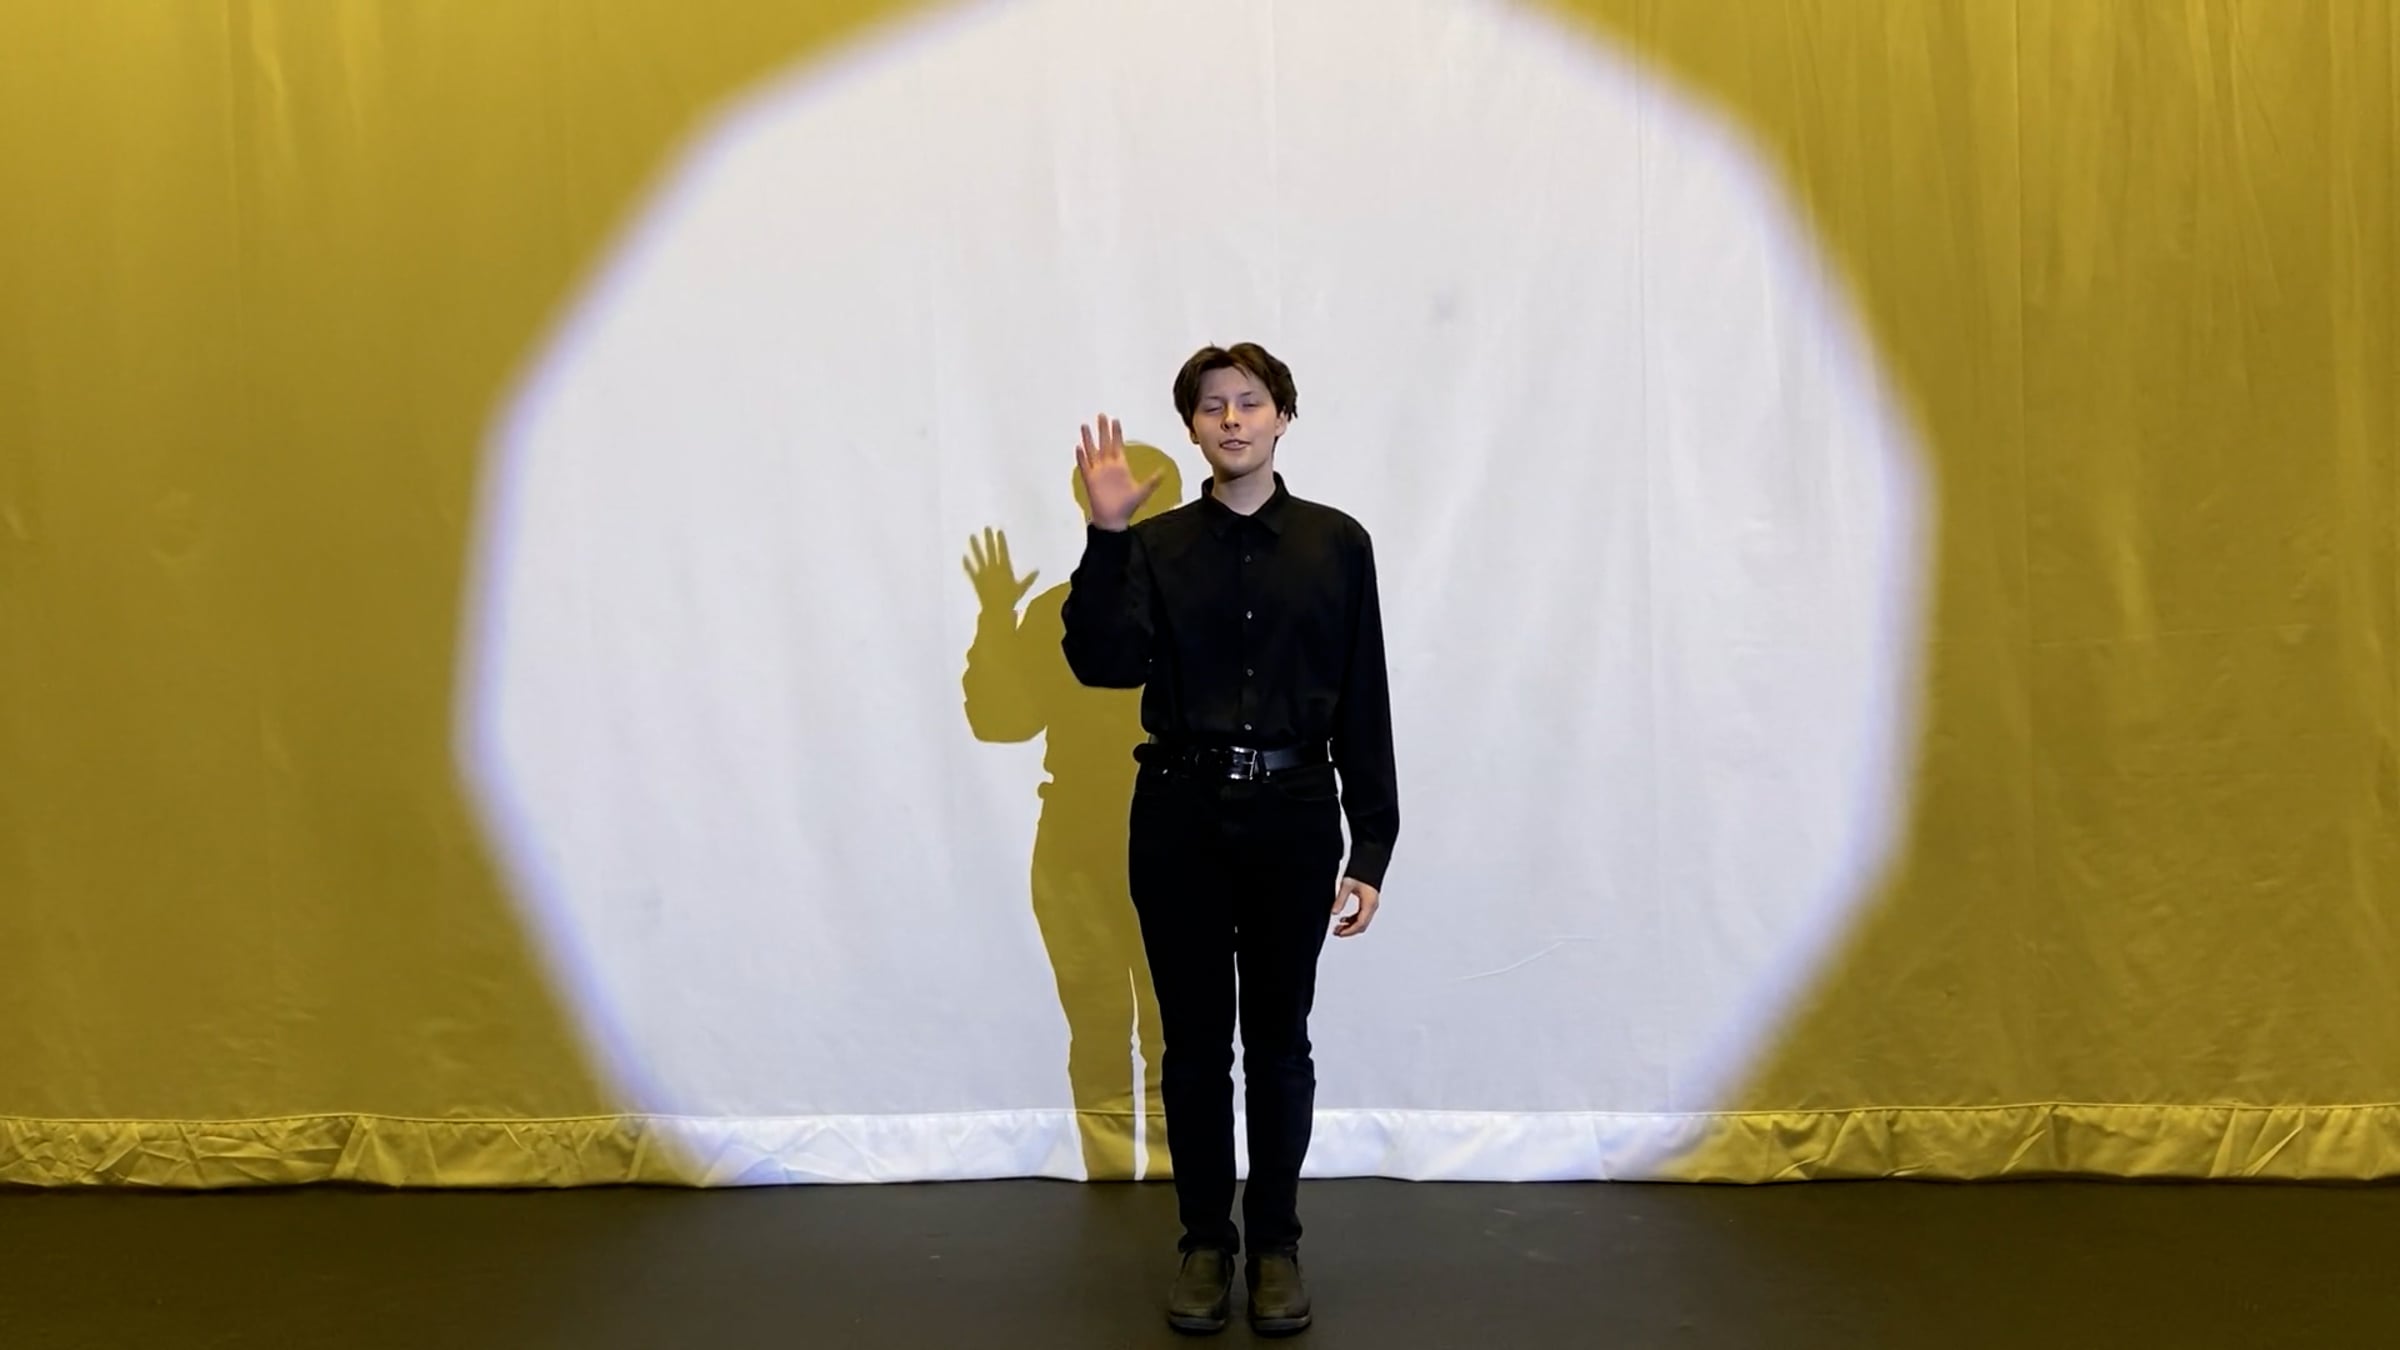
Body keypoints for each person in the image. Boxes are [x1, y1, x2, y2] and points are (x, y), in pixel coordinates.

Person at [1061, 341, 1399, 1337]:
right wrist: (1106, 535)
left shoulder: (1338, 543)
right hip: (1180, 815)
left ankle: (1278, 1244)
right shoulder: (1154, 547)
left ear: (1283, 416)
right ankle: (1206, 1241)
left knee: (1280, 1041)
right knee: (1197, 1044)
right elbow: (1101, 663)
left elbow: (1365, 697)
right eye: (1213, 407)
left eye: (1251, 402)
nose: (1233, 420)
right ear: (1193, 428)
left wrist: (1372, 846)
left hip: (1296, 815)